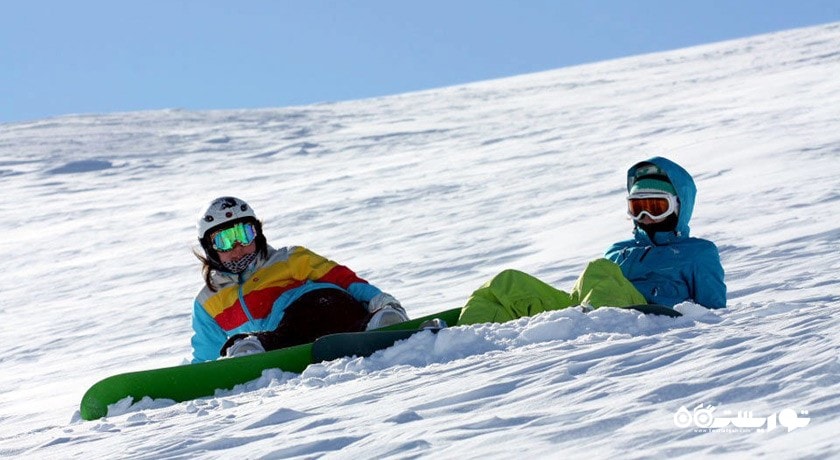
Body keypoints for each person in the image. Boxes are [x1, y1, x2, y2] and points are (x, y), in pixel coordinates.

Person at [457, 156, 726, 325]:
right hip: (584, 308)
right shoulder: (619, 250)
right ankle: (466, 335)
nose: (644, 215)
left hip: (646, 316)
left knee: (600, 268)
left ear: (678, 207)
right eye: (637, 207)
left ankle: (587, 322)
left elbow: (714, 312)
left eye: (656, 206)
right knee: (507, 281)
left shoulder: (699, 253)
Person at [190, 196, 408, 362]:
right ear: (209, 248)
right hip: (285, 337)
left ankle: (382, 322)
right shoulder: (208, 302)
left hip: (325, 305)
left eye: (245, 234)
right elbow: (207, 353)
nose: (238, 247)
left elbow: (344, 280)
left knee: (329, 312)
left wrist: (380, 300)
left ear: (257, 233)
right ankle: (248, 353)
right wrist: (197, 379)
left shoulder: (290, 258)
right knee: (259, 341)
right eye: (225, 240)